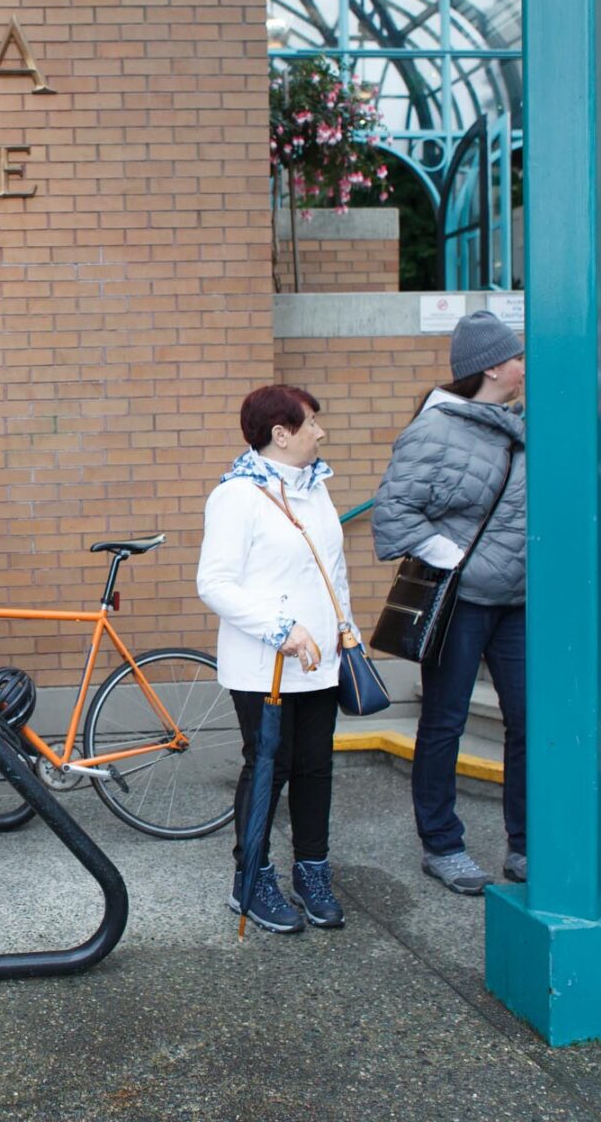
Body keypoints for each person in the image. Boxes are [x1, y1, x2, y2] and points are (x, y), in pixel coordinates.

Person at [372, 311, 527, 894]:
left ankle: (527, 843)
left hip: (519, 601)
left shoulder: (518, 426)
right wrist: (457, 559)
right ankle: (442, 844)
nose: (524, 367)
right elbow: (394, 515)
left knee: (529, 722)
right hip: (463, 601)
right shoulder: (434, 429)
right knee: (445, 721)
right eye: (517, 357)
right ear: (492, 367)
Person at [197, 384, 352, 935]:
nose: (320, 432)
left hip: (321, 661)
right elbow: (214, 583)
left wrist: (346, 630)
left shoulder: (315, 489)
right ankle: (252, 877)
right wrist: (280, 629)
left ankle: (312, 871)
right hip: (267, 664)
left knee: (315, 768)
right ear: (281, 434)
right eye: (311, 423)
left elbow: (332, 570)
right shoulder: (237, 496)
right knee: (269, 766)